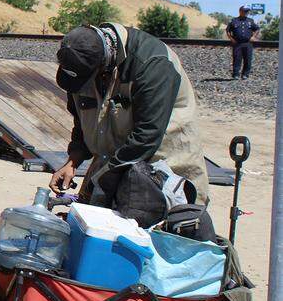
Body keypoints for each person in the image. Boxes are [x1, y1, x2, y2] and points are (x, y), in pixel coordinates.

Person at [48, 23, 209, 210]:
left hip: (163, 169)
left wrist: (101, 180)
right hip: (114, 163)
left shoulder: (152, 64)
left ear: (104, 67)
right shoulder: (83, 66)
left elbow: (147, 136)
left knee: (153, 235)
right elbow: (83, 119)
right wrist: (73, 161)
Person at [227, 5, 260, 80]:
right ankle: (236, 74)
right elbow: (228, 30)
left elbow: (257, 29)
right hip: (237, 43)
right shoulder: (234, 20)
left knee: (247, 59)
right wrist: (231, 38)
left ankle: (245, 74)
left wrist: (253, 36)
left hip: (248, 43)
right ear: (240, 11)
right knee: (237, 59)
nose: (246, 13)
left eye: (247, 11)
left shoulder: (250, 21)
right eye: (245, 11)